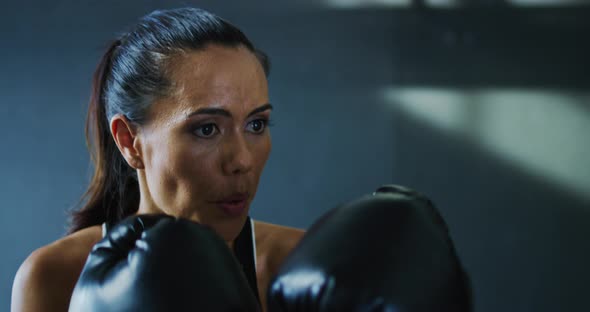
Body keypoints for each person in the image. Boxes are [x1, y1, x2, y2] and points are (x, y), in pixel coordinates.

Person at [11, 7, 304, 312]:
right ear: (129, 141)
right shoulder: (54, 277)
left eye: (256, 125)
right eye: (206, 129)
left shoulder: (295, 267)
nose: (242, 161)